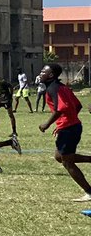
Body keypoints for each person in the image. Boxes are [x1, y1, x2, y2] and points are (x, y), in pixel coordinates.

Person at [37, 64, 91, 202]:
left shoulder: (53, 88)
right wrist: (67, 120)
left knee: (67, 162)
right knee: (59, 156)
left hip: (69, 129)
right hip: (72, 126)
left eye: (43, 71)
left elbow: (60, 109)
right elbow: (77, 105)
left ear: (50, 75)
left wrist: (46, 124)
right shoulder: (62, 87)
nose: (40, 73)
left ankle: (89, 192)